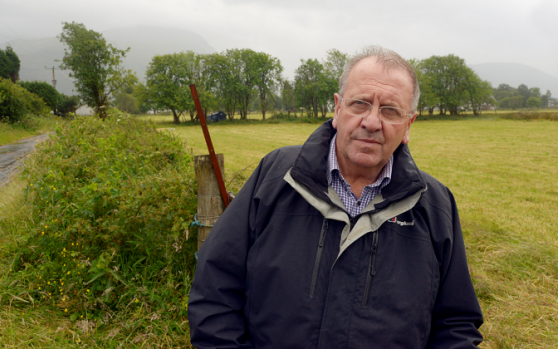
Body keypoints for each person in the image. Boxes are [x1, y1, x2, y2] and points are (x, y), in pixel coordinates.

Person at [188, 46, 483, 348]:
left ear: (409, 125)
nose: (371, 122)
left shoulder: (434, 205)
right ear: (338, 109)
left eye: (390, 111)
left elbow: (456, 325)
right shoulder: (275, 178)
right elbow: (214, 293)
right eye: (360, 104)